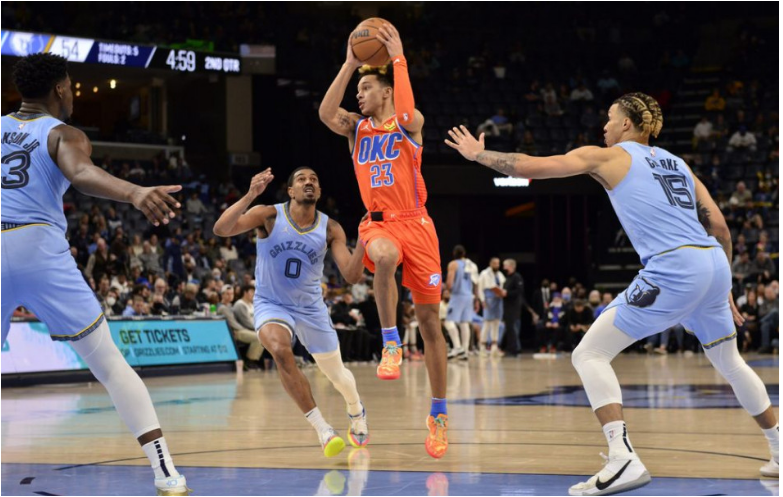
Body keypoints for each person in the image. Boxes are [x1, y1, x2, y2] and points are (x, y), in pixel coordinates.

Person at [446, 92, 778, 495]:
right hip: (711, 263)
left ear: (626, 124)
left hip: (673, 267)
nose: (604, 126)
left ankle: (623, 460)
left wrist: (478, 156)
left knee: (588, 353)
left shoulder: (611, 157)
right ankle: (778, 449)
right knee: (730, 361)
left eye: (609, 117)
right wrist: (723, 284)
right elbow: (721, 227)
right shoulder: (678, 163)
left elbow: (537, 167)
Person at [1, 53, 189, 496]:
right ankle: (165, 472)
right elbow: (81, 173)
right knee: (109, 364)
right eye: (70, 86)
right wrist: (136, 191)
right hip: (38, 247)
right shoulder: (62, 133)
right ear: (59, 90)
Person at [319, 23, 449, 458]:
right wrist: (350, 63)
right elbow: (324, 112)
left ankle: (438, 414)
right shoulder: (357, 129)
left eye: (367, 87)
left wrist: (398, 59)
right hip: (378, 223)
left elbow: (409, 112)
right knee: (384, 255)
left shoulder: (409, 126)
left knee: (431, 325)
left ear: (387, 92)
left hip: (419, 224)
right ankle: (390, 341)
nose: (360, 95)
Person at [213, 167, 369, 458]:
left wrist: (362, 238)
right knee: (280, 350)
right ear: (291, 191)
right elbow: (221, 229)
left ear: (319, 192)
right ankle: (323, 429)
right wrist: (250, 195)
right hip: (272, 304)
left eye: (314, 179)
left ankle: (356, 409)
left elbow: (351, 274)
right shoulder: (269, 215)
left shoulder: (331, 227)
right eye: (302, 179)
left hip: (311, 309)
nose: (309, 182)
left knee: (338, 376)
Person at [444, 245, 479, 361]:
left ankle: (457, 347)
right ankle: (465, 351)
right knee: (464, 323)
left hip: (458, 295)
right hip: (469, 296)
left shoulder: (453, 264)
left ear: (454, 253)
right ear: (464, 253)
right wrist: (476, 299)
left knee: (448, 321)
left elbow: (449, 282)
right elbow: (476, 283)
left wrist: (447, 290)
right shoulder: (472, 265)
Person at [478, 258, 506, 357]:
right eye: (494, 263)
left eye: (498, 263)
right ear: (490, 263)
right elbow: (480, 288)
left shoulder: (499, 275)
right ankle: (482, 348)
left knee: (496, 323)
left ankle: (494, 347)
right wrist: (482, 300)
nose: (496, 265)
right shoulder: (484, 273)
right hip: (489, 300)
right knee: (486, 324)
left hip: (498, 301)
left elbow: (502, 287)